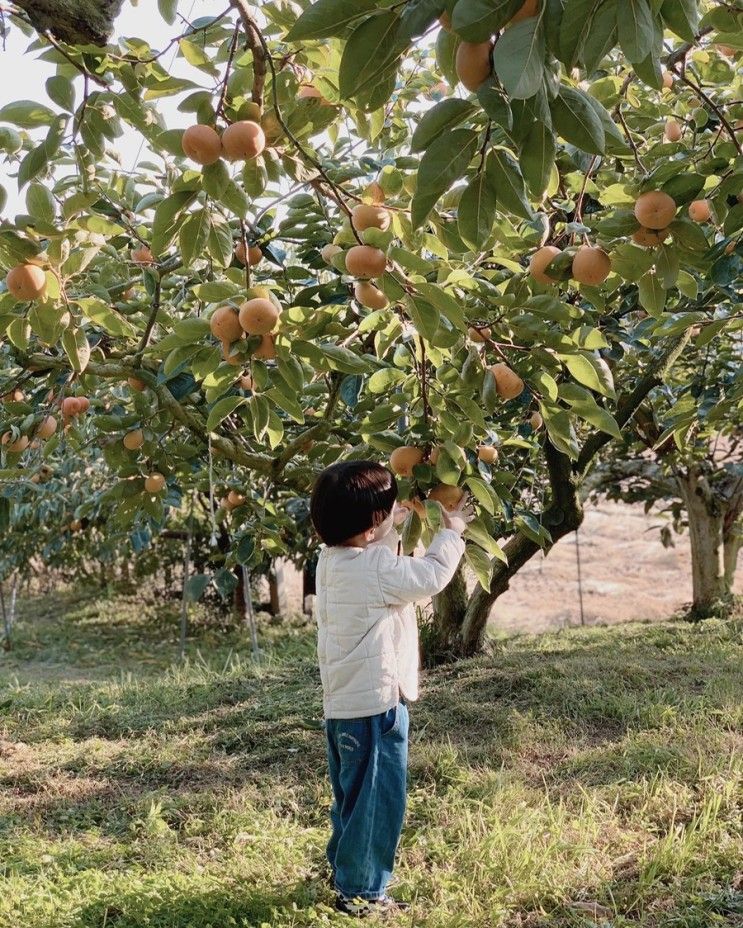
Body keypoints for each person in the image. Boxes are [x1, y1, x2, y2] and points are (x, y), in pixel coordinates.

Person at [310, 460, 472, 918]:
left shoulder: (330, 562)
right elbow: (431, 577)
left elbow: (369, 551)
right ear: (368, 531)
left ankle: (343, 871)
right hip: (376, 708)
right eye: (383, 513)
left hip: (342, 706)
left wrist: (389, 522)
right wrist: (452, 529)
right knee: (378, 800)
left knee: (352, 796)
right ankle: (361, 894)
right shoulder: (379, 570)